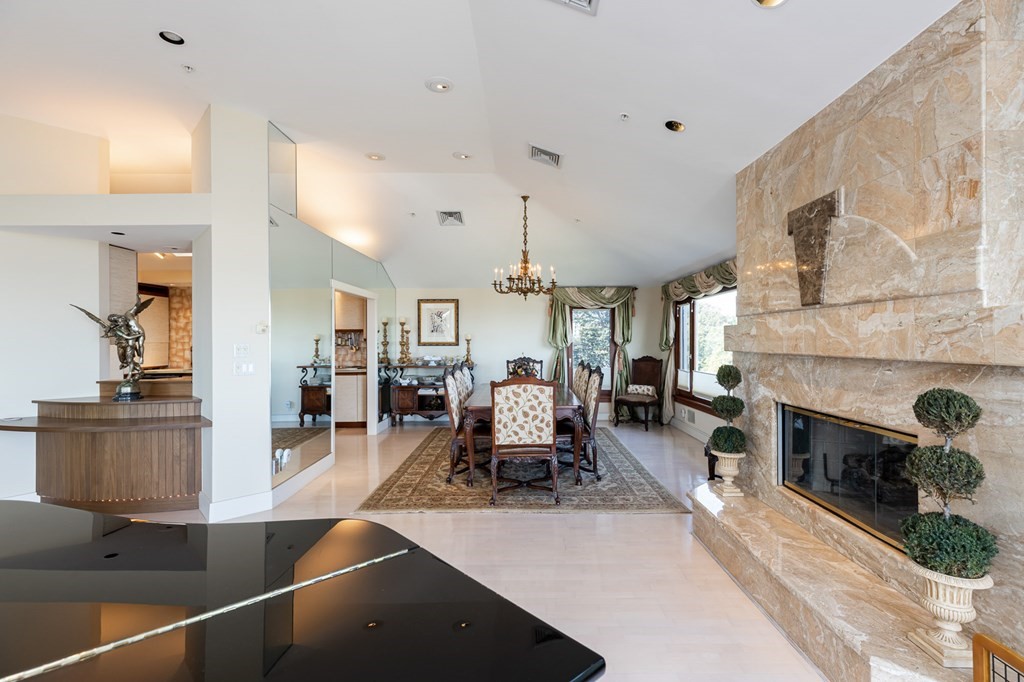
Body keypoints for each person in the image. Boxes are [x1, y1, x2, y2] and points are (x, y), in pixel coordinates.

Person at [72, 295, 154, 381]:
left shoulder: (127, 322)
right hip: (120, 344)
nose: (120, 319)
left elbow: (129, 334)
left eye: (118, 318)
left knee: (129, 359)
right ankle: (134, 368)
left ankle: (134, 372)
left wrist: (138, 337)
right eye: (116, 319)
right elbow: (97, 320)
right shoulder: (115, 328)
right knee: (123, 360)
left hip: (128, 344)